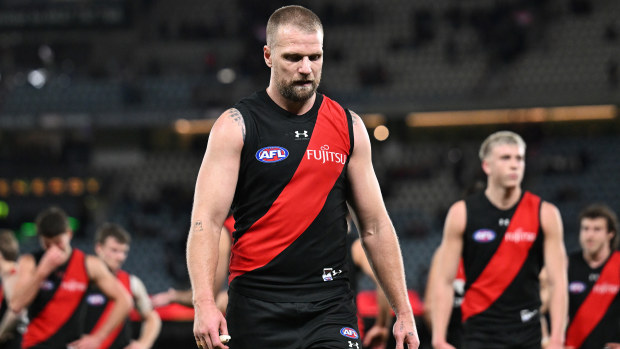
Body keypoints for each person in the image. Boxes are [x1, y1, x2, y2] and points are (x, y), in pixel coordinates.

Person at [186, 5, 419, 349]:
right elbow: (205, 221)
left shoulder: (349, 126)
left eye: (315, 57)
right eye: (293, 57)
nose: (306, 69)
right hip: (257, 307)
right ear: (268, 55)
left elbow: (375, 226)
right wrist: (204, 302)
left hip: (330, 308)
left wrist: (404, 312)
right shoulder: (235, 127)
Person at [431, 131, 568, 349]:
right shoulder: (462, 213)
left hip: (528, 332)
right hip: (478, 333)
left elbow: (558, 282)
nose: (515, 165)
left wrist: (558, 338)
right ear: (487, 166)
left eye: (519, 158)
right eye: (506, 158)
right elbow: (445, 281)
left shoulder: (545, 213)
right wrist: (439, 339)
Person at [10, 206, 133, 349]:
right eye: (47, 244)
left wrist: (98, 338)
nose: (53, 249)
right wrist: (42, 272)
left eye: (58, 242)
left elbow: (124, 300)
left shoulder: (88, 264)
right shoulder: (30, 262)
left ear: (69, 234)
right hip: (35, 344)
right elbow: (16, 305)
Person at [84, 223, 161, 349]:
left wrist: (143, 344)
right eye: (114, 250)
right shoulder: (82, 280)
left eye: (124, 252)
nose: (120, 257)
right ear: (99, 248)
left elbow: (152, 317)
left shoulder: (131, 282)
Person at [566, 204, 620, 349]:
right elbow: (542, 304)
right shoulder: (565, 265)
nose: (589, 235)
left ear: (610, 233)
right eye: (585, 229)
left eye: (597, 229)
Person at [347, 216, 393, 349]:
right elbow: (384, 281)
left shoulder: (302, 245)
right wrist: (382, 325)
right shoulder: (354, 246)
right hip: (344, 326)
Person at [0, 229, 23, 349]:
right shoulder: (6, 275)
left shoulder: (12, 274)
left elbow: (15, 311)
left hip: (12, 342)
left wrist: (1, 332)